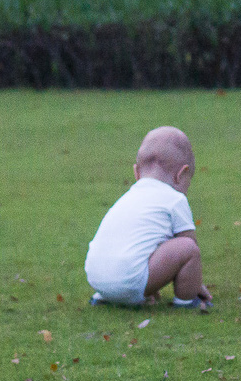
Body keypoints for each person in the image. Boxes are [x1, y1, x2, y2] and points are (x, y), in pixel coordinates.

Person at [84, 126, 210, 309]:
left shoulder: (127, 199)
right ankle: (187, 300)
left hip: (96, 278)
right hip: (130, 281)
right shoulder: (175, 199)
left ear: (137, 173)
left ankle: (106, 296)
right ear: (181, 174)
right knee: (187, 247)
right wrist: (194, 282)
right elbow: (189, 245)